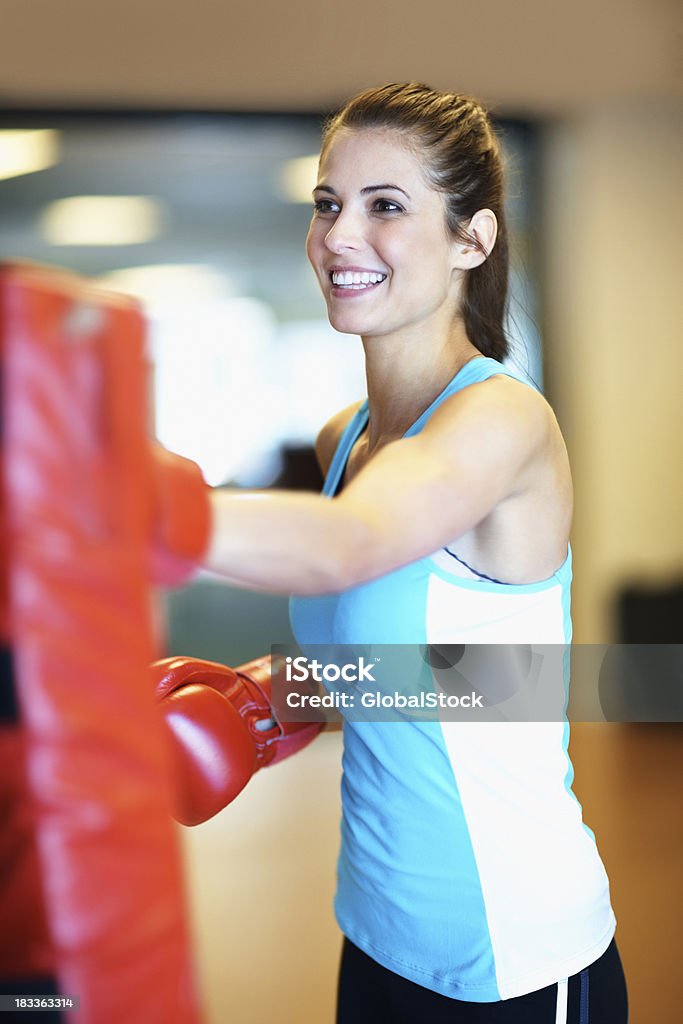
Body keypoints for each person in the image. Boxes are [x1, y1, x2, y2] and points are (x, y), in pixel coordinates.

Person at [153, 83, 629, 1023]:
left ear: (472, 240)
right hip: (375, 937)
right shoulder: (349, 438)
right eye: (328, 203)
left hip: (515, 959)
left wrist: (111, 503)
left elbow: (347, 546)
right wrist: (266, 698)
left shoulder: (503, 420)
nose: (338, 236)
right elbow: (422, 669)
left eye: (385, 206)